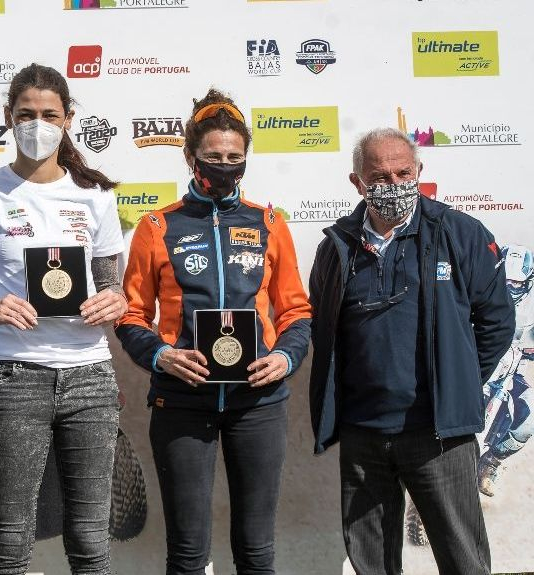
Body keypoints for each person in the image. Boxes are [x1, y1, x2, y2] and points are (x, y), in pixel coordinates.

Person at [0, 63, 126, 575]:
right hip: (17, 376)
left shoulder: (96, 196)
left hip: (91, 377)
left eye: (48, 114)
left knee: (89, 538)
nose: (37, 125)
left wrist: (115, 302)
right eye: (25, 114)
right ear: (7, 118)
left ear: (68, 120)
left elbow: (112, 284)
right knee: (11, 539)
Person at [115, 89, 311, 575]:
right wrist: (161, 356)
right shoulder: (158, 225)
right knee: (186, 552)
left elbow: (296, 313)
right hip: (183, 401)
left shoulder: (270, 224)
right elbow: (131, 315)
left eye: (234, 158)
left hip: (258, 403)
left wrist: (285, 359)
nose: (224, 166)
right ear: (190, 156)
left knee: (256, 549)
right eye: (213, 157)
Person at [307, 127, 515, 575]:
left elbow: (497, 321)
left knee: (464, 559)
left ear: (419, 171)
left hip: (438, 433)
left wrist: (455, 380)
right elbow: (323, 328)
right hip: (363, 434)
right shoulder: (336, 247)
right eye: (379, 177)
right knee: (371, 562)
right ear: (356, 182)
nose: (394, 184)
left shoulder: (459, 233)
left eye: (404, 172)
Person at [478, 244, 534, 495]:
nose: (510, 288)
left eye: (516, 284)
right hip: (477, 365)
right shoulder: (477, 289)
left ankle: (491, 462)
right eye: (505, 281)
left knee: (529, 419)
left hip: (512, 370)